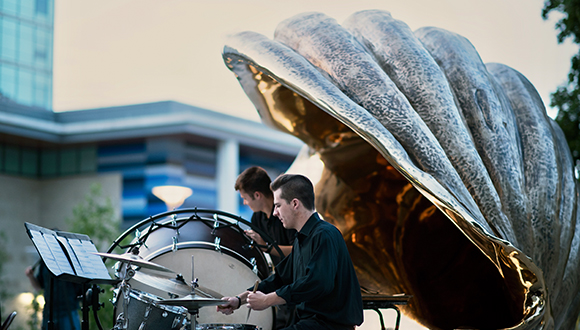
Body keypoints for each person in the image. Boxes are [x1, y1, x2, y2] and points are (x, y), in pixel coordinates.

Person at [219, 174, 364, 330]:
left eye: (278, 205)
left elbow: (317, 283)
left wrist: (268, 300)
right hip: (311, 324)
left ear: (295, 204)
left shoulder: (325, 235)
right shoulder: (301, 239)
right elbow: (279, 279)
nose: (274, 212)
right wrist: (238, 300)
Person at [235, 166, 296, 265]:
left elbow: (299, 250)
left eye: (245, 198)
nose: (245, 203)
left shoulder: (287, 211)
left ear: (257, 195)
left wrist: (267, 248)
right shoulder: (257, 218)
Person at [25, 260, 83, 330]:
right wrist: (31, 277)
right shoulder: (45, 260)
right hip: (49, 313)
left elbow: (81, 288)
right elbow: (39, 286)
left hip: (68, 311)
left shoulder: (70, 260)